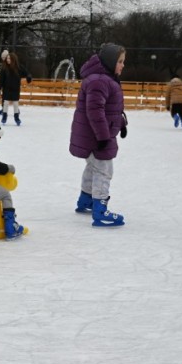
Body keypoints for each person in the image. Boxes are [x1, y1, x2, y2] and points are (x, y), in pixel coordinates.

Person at [69, 43, 127, 227]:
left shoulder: (104, 79)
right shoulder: (99, 80)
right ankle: (100, 210)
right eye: (120, 61)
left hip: (96, 134)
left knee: (93, 167)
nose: (122, 65)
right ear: (110, 62)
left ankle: (86, 200)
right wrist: (103, 136)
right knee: (104, 170)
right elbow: (94, 110)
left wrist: (121, 122)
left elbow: (109, 109)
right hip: (97, 136)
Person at [0, 49, 32, 126]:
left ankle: (16, 118)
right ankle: (4, 117)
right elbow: (1, 80)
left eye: (9, 58)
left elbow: (27, 73)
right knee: (5, 103)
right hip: (6, 88)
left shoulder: (19, 68)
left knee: (15, 103)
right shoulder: (4, 68)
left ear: (13, 59)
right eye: (7, 58)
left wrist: (28, 77)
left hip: (15, 89)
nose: (7, 60)